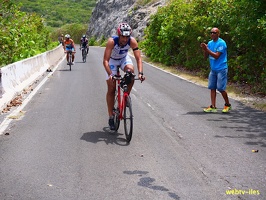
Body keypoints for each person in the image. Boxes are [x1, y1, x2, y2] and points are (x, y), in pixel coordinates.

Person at [103, 23, 145, 130]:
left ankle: (126, 97)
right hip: (112, 61)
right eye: (123, 36)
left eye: (127, 37)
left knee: (131, 73)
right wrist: (111, 74)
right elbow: (105, 61)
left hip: (123, 59)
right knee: (111, 88)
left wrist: (140, 73)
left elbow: (138, 59)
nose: (125, 39)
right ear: (119, 35)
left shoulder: (132, 41)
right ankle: (111, 116)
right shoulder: (111, 42)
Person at [200, 27, 231, 113]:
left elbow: (217, 56)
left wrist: (207, 49)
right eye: (211, 32)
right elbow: (206, 57)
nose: (212, 34)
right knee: (212, 87)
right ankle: (213, 106)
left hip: (221, 68)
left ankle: (227, 104)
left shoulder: (221, 43)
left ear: (218, 34)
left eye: (214, 33)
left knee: (221, 88)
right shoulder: (210, 43)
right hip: (213, 69)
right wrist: (204, 50)